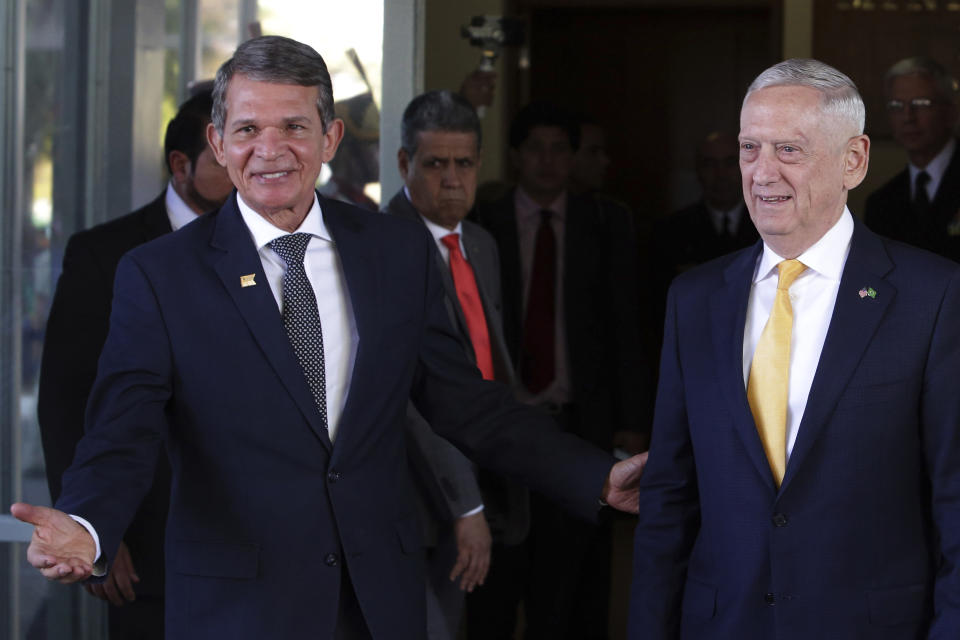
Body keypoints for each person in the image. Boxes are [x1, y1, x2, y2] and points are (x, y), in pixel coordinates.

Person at [11, 36, 645, 640]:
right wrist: (89, 524)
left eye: (293, 126)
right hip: (241, 607)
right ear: (218, 142)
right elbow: (122, 427)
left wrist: (593, 473)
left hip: (379, 600)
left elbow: (465, 403)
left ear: (330, 136)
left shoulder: (395, 253)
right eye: (248, 129)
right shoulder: (159, 274)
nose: (271, 149)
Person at [630, 58, 960, 639]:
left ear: (853, 160)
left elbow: (955, 502)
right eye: (749, 147)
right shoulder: (695, 298)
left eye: (789, 150)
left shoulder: (932, 297)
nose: (761, 173)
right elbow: (669, 502)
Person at [35, 88, 232, 640]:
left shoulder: (271, 246)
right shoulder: (106, 254)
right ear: (181, 165)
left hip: (255, 544)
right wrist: (95, 526)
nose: (246, 162)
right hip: (147, 543)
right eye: (223, 151)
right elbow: (67, 399)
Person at [476, 101, 649, 639]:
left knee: (576, 576)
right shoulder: (486, 223)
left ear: (573, 157)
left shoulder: (604, 220)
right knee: (502, 573)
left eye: (558, 150)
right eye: (535, 149)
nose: (547, 162)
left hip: (581, 416)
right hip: (505, 417)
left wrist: (632, 419)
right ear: (515, 157)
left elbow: (628, 324)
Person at [384, 88, 526, 640]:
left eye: (463, 164)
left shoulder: (481, 244)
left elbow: (489, 361)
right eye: (435, 164)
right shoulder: (385, 245)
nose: (451, 179)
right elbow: (414, 397)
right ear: (404, 164)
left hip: (490, 472)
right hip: (419, 496)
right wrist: (465, 505)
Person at [865, 56, 960, 261]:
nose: (908, 117)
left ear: (951, 112)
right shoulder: (881, 203)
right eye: (897, 105)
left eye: (921, 103)